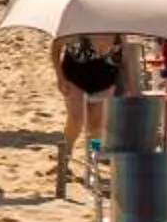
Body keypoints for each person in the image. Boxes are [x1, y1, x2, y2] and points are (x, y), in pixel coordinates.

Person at [51, 35, 121, 195]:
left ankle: (92, 163)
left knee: (96, 127)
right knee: (76, 121)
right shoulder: (78, 25)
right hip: (75, 76)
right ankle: (65, 159)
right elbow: (56, 46)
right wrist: (59, 77)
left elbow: (128, 56)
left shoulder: (117, 26)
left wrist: (132, 84)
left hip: (106, 77)